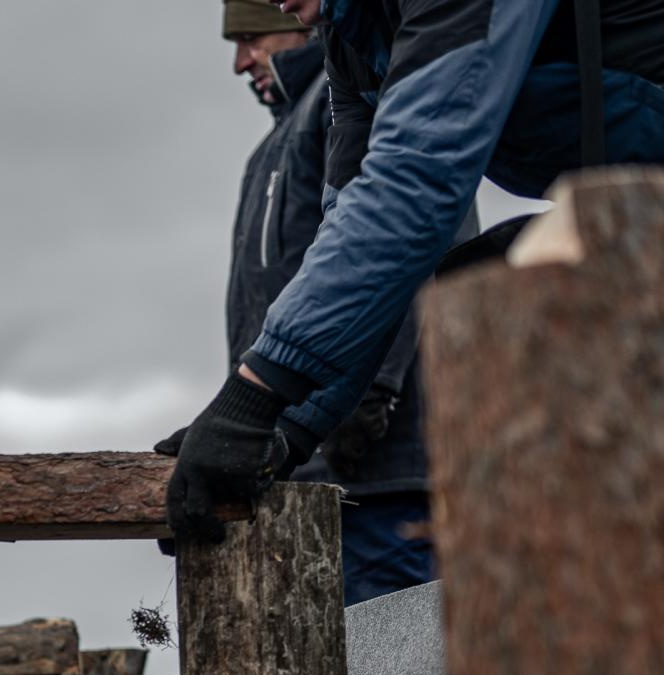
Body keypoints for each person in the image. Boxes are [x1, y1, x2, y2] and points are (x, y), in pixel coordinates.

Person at [161, 0, 664, 544]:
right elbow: (356, 227)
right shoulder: (353, 45)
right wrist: (282, 426)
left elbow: (415, 180)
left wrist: (253, 394)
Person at [165, 2, 444, 601]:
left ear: (298, 26)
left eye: (251, 39)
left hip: (381, 478)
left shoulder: (364, 96)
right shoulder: (272, 147)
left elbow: (406, 240)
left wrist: (373, 396)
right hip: (304, 470)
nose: (241, 63)